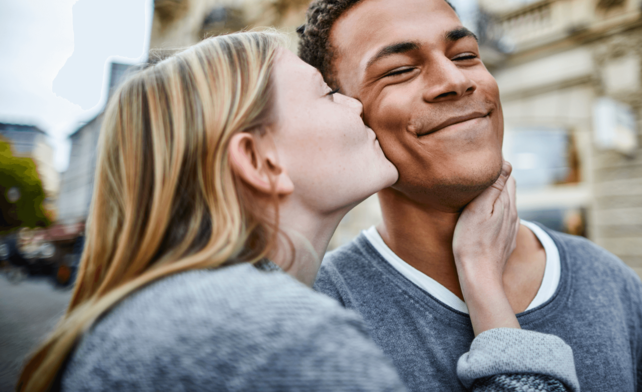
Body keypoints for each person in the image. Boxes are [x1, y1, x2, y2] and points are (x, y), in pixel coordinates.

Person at [18, 31, 577, 392]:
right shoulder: (272, 337)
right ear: (261, 160)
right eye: (326, 94)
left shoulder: (168, 311)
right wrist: (484, 282)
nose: (357, 102)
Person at [299, 0, 642, 392]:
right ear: (346, 119)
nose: (454, 79)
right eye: (400, 70)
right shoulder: (316, 313)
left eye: (466, 54)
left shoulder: (609, 278)